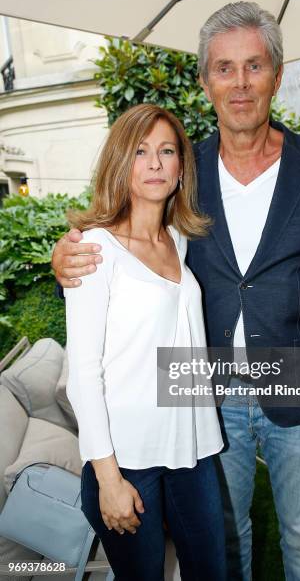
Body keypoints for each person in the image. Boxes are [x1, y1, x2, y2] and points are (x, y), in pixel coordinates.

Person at [53, 2, 300, 581]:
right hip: (208, 398)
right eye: (224, 69)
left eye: (254, 66)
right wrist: (68, 255)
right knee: (227, 539)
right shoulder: (183, 170)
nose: (241, 83)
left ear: (278, 74)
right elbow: (129, 237)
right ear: (205, 82)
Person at [63, 103, 226, 581]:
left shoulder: (179, 239)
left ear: (180, 169)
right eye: (140, 151)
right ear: (120, 163)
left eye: (166, 151)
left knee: (212, 572)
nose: (154, 163)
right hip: (126, 461)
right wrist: (108, 478)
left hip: (191, 449)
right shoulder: (94, 251)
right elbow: (84, 375)